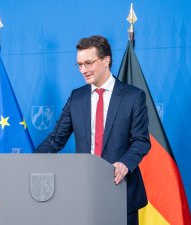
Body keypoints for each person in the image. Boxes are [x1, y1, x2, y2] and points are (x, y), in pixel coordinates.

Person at [35, 35, 150, 225]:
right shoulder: (76, 98)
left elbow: (141, 140)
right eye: (79, 64)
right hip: (84, 195)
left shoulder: (133, 96)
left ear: (106, 61)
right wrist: (28, 163)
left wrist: (124, 163)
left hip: (122, 192)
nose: (83, 70)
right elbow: (56, 139)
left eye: (88, 63)